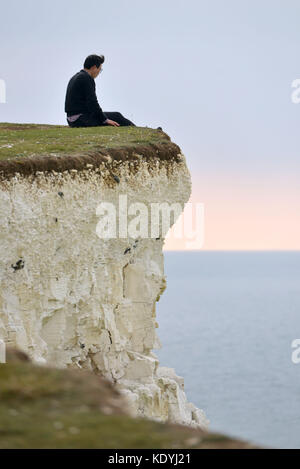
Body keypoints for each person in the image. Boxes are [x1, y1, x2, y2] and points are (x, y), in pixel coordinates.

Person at [64, 54, 136, 128]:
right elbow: (92, 103)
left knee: (114, 115)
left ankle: (135, 129)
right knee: (117, 116)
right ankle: (136, 130)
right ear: (94, 67)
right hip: (81, 120)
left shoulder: (76, 77)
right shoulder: (87, 78)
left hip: (72, 120)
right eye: (100, 69)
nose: (99, 72)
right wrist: (105, 119)